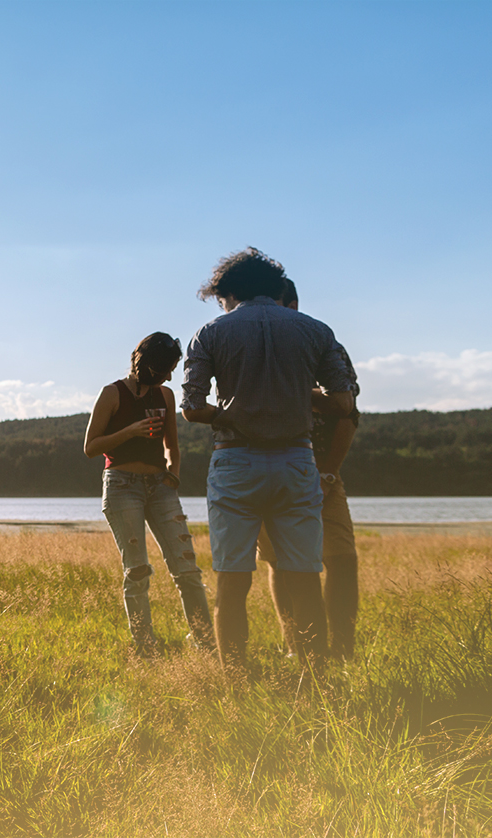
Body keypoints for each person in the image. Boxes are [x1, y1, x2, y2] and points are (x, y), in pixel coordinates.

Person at [179, 248, 355, 672]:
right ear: (275, 288)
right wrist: (294, 398)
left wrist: (233, 413)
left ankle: (236, 685)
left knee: (233, 583)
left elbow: (191, 407)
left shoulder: (211, 332)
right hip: (297, 460)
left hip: (235, 462)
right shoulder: (315, 330)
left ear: (229, 291)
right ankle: (315, 682)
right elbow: (343, 401)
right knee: (305, 577)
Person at [83, 332, 213, 654]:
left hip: (160, 487)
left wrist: (174, 476)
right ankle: (145, 647)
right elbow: (90, 447)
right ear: (147, 367)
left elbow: (173, 447)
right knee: (137, 571)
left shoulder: (166, 396)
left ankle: (205, 642)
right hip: (121, 486)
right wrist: (129, 432)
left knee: (187, 570)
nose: (169, 377)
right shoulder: (111, 394)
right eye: (164, 370)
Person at [256, 279, 361, 659]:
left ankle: (343, 648)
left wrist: (329, 472)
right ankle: (295, 647)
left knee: (342, 559)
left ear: (294, 305)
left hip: (322, 470)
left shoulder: (323, 345)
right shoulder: (259, 350)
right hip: (271, 468)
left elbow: (348, 414)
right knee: (278, 562)